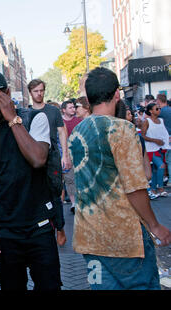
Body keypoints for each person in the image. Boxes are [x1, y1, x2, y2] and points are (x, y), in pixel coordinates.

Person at [69, 67, 171, 290]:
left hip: (90, 237)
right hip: (123, 239)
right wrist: (155, 225)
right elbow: (134, 187)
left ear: (88, 98)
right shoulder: (121, 129)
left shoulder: (76, 133)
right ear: (117, 94)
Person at [0, 70, 61, 291]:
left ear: (8, 93)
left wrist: (12, 119)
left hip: (39, 228)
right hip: (6, 232)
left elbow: (38, 159)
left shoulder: (34, 119)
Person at [28, 79, 71, 247]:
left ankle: (60, 227)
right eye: (36, 91)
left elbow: (62, 132)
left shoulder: (52, 111)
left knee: (55, 193)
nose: (39, 93)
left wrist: (64, 155)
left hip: (52, 157)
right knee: (37, 193)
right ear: (30, 93)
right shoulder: (27, 112)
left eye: (41, 90)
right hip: (36, 158)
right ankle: (41, 228)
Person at [142, 102, 170, 197]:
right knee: (161, 166)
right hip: (150, 149)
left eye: (159, 108)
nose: (159, 110)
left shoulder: (161, 120)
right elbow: (143, 135)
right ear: (150, 111)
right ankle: (160, 188)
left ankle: (153, 190)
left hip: (160, 148)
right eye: (156, 109)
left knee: (154, 169)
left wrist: (165, 140)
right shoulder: (147, 121)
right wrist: (155, 140)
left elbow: (163, 133)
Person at [61, 100, 81, 214]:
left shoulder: (78, 121)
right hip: (66, 153)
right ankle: (73, 202)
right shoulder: (60, 122)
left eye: (74, 107)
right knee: (69, 179)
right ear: (64, 110)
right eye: (70, 108)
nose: (73, 109)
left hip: (78, 152)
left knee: (77, 178)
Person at [157, 93, 171, 180]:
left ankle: (168, 179)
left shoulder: (160, 112)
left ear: (158, 101)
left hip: (165, 138)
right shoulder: (170, 109)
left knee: (167, 159)